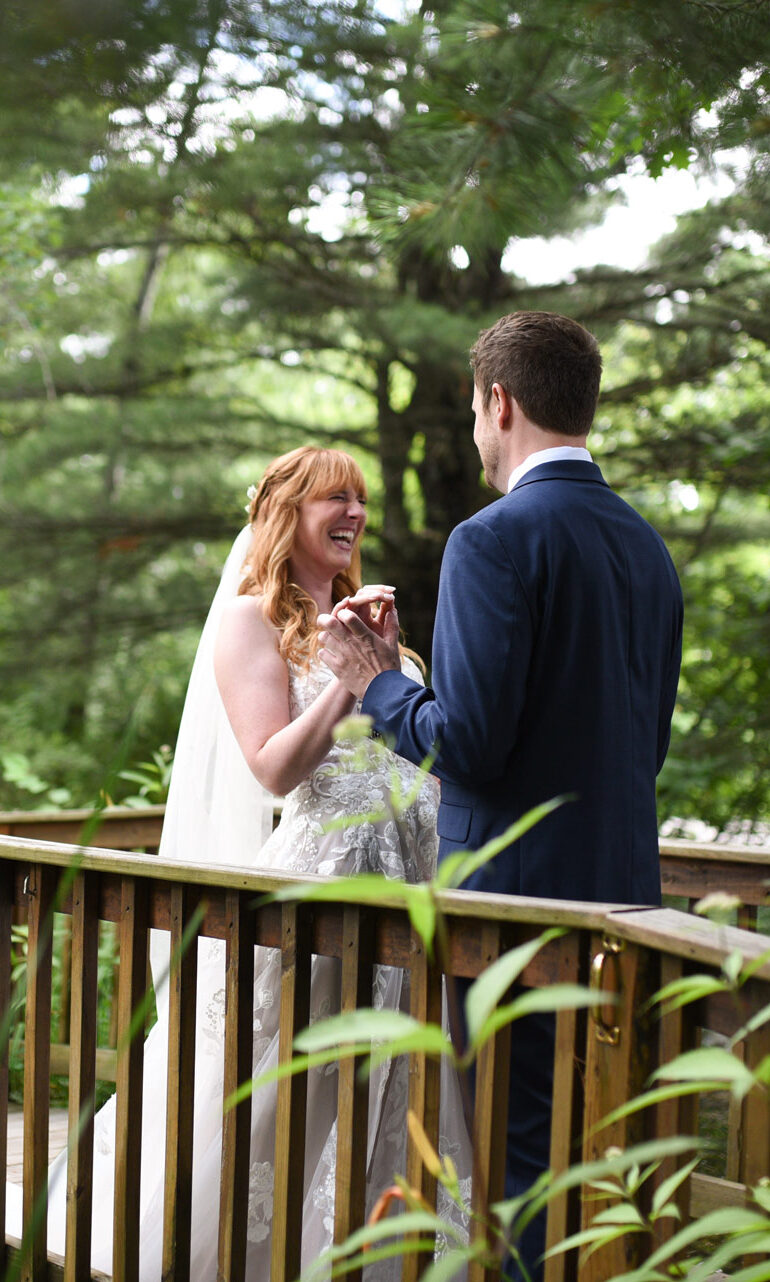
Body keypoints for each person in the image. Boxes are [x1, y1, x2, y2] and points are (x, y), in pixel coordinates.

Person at [7, 446, 469, 1279]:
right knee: (275, 1097)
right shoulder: (250, 620)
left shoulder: (376, 627)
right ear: (286, 512)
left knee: (389, 1091)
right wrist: (348, 681)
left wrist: (386, 659)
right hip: (317, 899)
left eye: (361, 498)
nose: (356, 513)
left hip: (408, 900)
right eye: (336, 497)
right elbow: (272, 765)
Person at [317, 311, 684, 1281]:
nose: (474, 433)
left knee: (522, 1168)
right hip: (625, 911)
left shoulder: (490, 540)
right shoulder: (645, 550)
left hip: (509, 917)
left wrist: (376, 680)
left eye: (473, 411)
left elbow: (469, 747)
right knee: (600, 1167)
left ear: (498, 402)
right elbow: (636, 749)